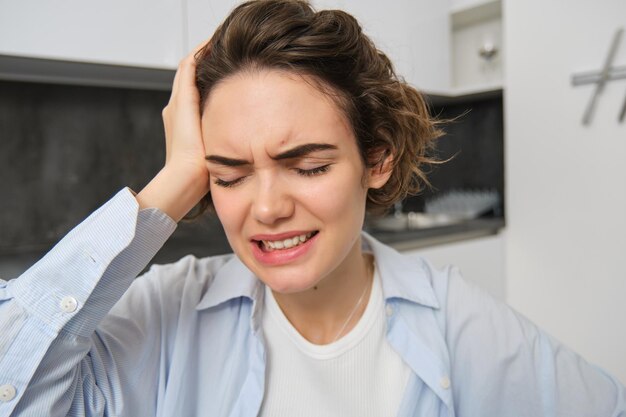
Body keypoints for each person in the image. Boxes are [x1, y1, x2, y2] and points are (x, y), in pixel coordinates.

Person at [0, 1, 624, 416]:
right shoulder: (164, 317)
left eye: (309, 167)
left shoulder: (468, 332)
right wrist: (170, 182)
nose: (267, 208)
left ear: (376, 160)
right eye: (230, 174)